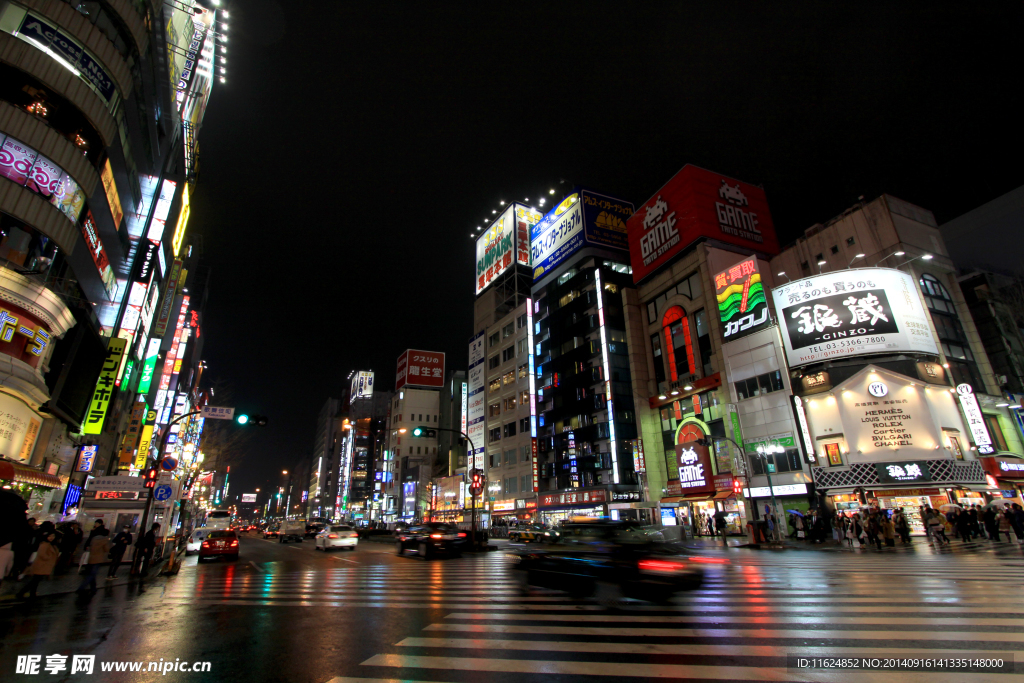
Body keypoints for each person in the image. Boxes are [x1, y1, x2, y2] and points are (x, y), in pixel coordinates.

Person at [16, 530, 59, 600]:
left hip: (43, 565)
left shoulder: (51, 544)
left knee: (36, 581)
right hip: (41, 565)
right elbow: (42, 554)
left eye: (53, 536)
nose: (51, 538)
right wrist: (49, 557)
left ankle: (31, 593)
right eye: (49, 536)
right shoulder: (45, 544)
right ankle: (23, 593)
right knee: (35, 580)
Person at [76, 528, 109, 593]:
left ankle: (93, 588)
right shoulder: (104, 540)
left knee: (92, 573)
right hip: (98, 559)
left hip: (91, 558)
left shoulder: (94, 538)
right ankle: (81, 587)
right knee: (92, 574)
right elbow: (106, 549)